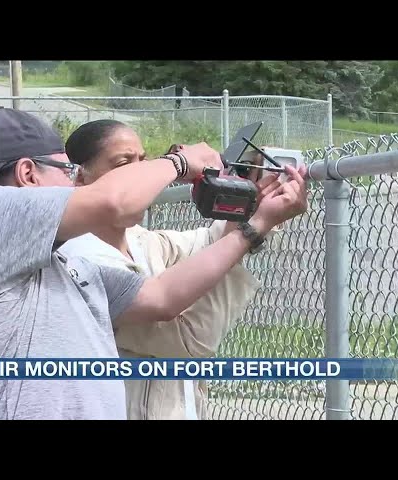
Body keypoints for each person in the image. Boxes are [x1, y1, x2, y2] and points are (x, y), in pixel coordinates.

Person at [0, 108, 308, 420]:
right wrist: (177, 163)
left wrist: (258, 223)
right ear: (27, 174)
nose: (75, 183)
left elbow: (162, 298)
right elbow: (112, 202)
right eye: (66, 171)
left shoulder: (64, 260)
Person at [60, 119, 307, 420]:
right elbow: (188, 341)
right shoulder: (78, 259)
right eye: (123, 163)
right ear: (79, 178)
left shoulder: (140, 240)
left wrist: (251, 203)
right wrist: (256, 226)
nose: (140, 174)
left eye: (143, 162)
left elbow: (210, 245)